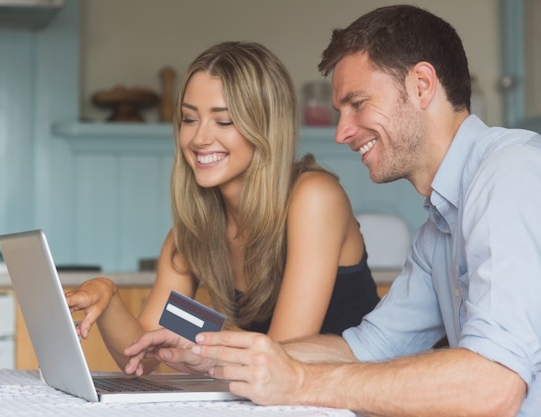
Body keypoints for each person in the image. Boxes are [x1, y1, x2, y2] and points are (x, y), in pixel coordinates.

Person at [124, 6, 541, 416]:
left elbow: (494, 386)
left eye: (357, 103)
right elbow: (366, 349)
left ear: (421, 84)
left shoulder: (509, 172)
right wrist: (216, 356)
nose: (341, 132)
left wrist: (301, 382)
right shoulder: (437, 231)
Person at [66, 41, 380, 374]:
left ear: (266, 127)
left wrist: (197, 333)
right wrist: (108, 298)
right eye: (189, 119)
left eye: (224, 121)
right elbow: (142, 355)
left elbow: (281, 357)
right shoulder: (191, 234)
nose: (199, 138)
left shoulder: (315, 198)